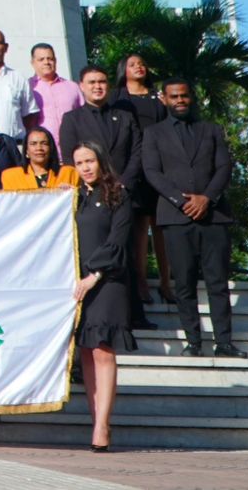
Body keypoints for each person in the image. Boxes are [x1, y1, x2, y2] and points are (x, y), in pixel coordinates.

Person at [141, 79, 245, 358]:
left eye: (184, 96)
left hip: (214, 217)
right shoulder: (153, 134)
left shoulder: (210, 130)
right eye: (174, 96)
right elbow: (152, 172)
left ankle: (224, 343)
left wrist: (206, 198)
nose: (180, 100)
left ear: (192, 97)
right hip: (175, 218)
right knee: (184, 284)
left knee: (217, 283)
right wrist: (181, 200)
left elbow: (224, 166)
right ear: (164, 98)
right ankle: (194, 342)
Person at [60, 64, 149, 326]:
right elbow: (69, 158)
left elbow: (137, 152)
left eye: (102, 81)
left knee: (127, 251)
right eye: (91, 82)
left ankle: (135, 315)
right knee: (99, 252)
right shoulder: (72, 119)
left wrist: (122, 184)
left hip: (121, 193)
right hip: (91, 197)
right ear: (81, 86)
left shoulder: (124, 117)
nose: (97, 86)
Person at [70, 140, 138, 452]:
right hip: (77, 281)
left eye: (89, 161)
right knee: (86, 350)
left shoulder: (118, 194)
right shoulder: (74, 197)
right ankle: (94, 417)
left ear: (101, 161)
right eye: (79, 162)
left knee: (102, 350)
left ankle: (103, 425)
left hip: (108, 280)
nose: (85, 167)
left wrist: (94, 275)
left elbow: (119, 241)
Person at [114, 53, 169, 306]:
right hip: (134, 166)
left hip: (160, 164)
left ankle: (167, 283)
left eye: (142, 63)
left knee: (162, 226)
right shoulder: (118, 98)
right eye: (133, 64)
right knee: (139, 228)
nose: (139, 67)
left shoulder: (158, 97)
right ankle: (142, 282)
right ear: (123, 69)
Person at [27, 43, 84, 148]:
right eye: (41, 59)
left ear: (55, 61)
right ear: (33, 63)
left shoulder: (72, 87)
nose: (46, 62)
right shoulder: (28, 88)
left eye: (50, 59)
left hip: (73, 148)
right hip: (43, 151)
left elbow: (83, 118)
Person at [1, 128, 77, 189]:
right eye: (33, 144)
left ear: (51, 148)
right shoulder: (11, 176)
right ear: (26, 150)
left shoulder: (69, 173)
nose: (39, 148)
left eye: (44, 143)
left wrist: (73, 192)